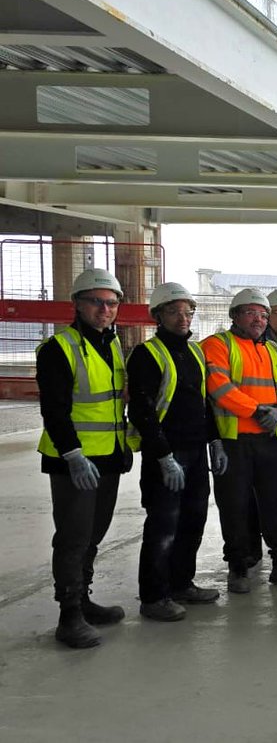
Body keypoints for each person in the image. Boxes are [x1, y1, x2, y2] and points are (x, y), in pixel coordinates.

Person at [36, 268, 133, 648]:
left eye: (111, 303)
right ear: (77, 304)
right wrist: (73, 455)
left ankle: (85, 598)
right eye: (96, 302)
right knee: (73, 537)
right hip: (73, 460)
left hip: (107, 457)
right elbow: (54, 410)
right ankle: (69, 615)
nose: (105, 310)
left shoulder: (111, 344)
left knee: (94, 534)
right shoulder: (59, 348)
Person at [201, 287, 277, 594]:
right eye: (251, 312)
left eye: (263, 314)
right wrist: (258, 410)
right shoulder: (218, 345)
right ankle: (238, 567)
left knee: (276, 504)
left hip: (270, 442)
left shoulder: (274, 351)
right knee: (234, 506)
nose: (259, 319)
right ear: (234, 315)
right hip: (234, 442)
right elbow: (219, 387)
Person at [127, 281, 218, 623]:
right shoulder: (146, 355)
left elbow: (203, 403)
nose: (183, 318)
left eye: (188, 312)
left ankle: (182, 583)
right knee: (164, 525)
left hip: (196, 452)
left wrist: (215, 441)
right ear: (158, 316)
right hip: (166, 454)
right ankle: (153, 596)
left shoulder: (194, 352)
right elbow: (142, 410)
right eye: (174, 312)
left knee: (194, 520)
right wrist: (163, 456)